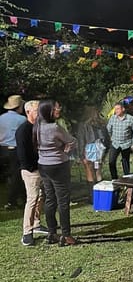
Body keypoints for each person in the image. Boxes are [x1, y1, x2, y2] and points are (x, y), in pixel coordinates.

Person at [34, 99, 78, 246]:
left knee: (50, 199)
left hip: (43, 165)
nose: (59, 109)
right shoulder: (54, 127)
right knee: (63, 201)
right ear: (50, 111)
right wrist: (66, 148)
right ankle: (66, 235)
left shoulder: (37, 126)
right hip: (58, 165)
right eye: (57, 107)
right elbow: (71, 140)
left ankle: (52, 233)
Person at [16, 100, 48, 246]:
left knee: (41, 196)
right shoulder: (23, 130)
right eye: (37, 111)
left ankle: (36, 223)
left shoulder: (38, 126)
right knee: (32, 198)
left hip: (41, 167)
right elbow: (23, 153)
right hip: (31, 170)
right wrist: (32, 168)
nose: (39, 114)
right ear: (28, 112)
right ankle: (27, 232)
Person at [0, 94, 27, 210]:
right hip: (15, 149)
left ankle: (22, 197)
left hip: (3, 149)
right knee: (17, 175)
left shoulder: (1, 118)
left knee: (13, 174)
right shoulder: (21, 119)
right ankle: (12, 201)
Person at [76, 106, 109, 198]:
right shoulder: (102, 123)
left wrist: (81, 155)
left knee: (89, 172)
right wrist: (105, 153)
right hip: (100, 149)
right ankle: (100, 194)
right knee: (98, 171)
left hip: (89, 149)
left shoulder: (83, 125)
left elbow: (81, 140)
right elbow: (106, 139)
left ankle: (92, 196)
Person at [107, 102, 133, 179]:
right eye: (115, 109)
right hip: (115, 143)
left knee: (125, 162)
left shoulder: (130, 119)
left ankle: (127, 180)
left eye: (118, 109)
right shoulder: (113, 118)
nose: (116, 111)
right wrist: (111, 137)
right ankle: (114, 179)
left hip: (126, 144)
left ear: (123, 109)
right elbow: (108, 129)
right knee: (111, 161)